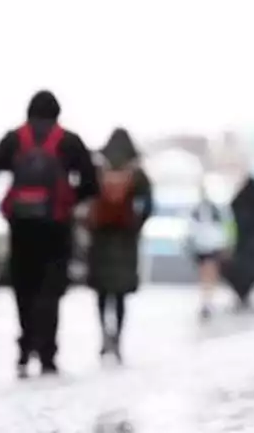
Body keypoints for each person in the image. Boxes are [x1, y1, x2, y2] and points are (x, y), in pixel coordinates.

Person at [0, 90, 98, 377]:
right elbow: (91, 182)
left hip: (21, 225)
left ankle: (25, 347)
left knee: (23, 285)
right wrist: (70, 198)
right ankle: (47, 351)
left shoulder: (16, 138)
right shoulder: (68, 141)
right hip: (56, 225)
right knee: (51, 287)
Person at [86, 128, 153, 361]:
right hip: (126, 241)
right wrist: (136, 225)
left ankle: (104, 335)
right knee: (121, 295)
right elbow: (149, 206)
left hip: (100, 240)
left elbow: (85, 201)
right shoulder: (137, 174)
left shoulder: (97, 171)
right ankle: (119, 339)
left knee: (102, 293)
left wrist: (89, 226)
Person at [186, 186, 233, 319]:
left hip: (208, 244)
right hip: (208, 245)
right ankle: (207, 299)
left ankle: (207, 300)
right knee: (209, 272)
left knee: (208, 272)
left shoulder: (216, 209)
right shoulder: (208, 209)